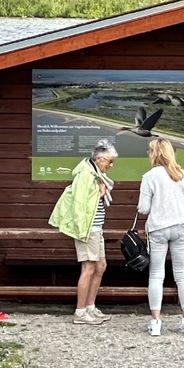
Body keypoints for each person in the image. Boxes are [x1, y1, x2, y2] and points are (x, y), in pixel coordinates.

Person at [48, 138, 117, 324]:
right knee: (88, 268)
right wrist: (99, 194)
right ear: (100, 159)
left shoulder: (94, 174)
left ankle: (90, 307)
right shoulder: (86, 175)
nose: (111, 165)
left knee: (100, 266)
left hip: (96, 228)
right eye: (110, 161)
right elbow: (79, 203)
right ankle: (80, 312)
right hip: (88, 229)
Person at [136, 135, 184, 337]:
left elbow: (143, 209)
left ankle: (156, 322)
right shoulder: (182, 174)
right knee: (182, 275)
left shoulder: (149, 177)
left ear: (154, 154)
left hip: (158, 228)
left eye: (149, 151)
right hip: (182, 226)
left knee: (156, 275)